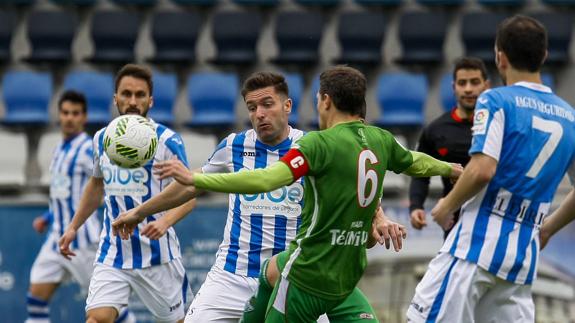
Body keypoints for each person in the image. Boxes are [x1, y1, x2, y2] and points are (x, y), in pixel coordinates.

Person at [112, 66, 462, 322]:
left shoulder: (311, 146)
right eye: (252, 107)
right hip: (234, 273)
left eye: (267, 104)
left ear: (288, 105)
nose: (259, 114)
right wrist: (140, 212)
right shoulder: (233, 146)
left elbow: (351, 186)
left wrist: (379, 216)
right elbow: (188, 184)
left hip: (295, 274)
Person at [407, 15, 575, 322]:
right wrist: (548, 227)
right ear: (545, 55)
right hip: (522, 259)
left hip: (474, 249)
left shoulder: (496, 100)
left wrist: (447, 205)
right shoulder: (570, 117)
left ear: (500, 57)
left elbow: (482, 169)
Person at [58, 64, 196, 323]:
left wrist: (165, 221)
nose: (133, 101)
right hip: (114, 251)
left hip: (158, 256)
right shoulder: (102, 138)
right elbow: (96, 185)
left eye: (140, 95)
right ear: (115, 98)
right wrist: (73, 226)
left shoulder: (167, 140)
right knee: (97, 319)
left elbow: (190, 193)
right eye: (126, 94)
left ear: (150, 100)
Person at [26, 91, 134, 323]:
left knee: (106, 307)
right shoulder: (58, 149)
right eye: (65, 113)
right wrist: (48, 216)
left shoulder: (88, 148)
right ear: (59, 116)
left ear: (84, 117)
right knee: (36, 299)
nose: (69, 118)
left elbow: (101, 187)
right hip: (56, 239)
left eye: (75, 113)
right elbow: (63, 193)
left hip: (83, 242)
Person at [409, 57, 490, 238]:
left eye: (475, 82)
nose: (468, 88)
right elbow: (420, 172)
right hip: (453, 221)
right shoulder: (435, 129)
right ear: (454, 87)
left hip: (492, 218)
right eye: (462, 83)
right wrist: (416, 206)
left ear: (486, 85)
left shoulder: (498, 126)